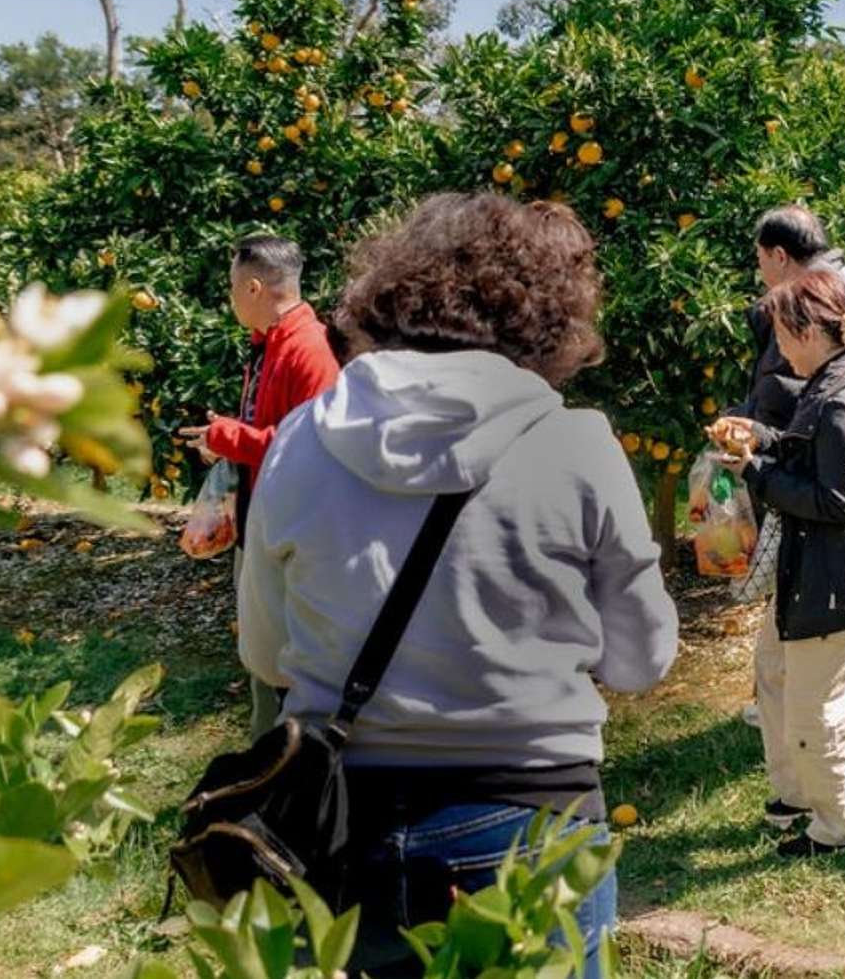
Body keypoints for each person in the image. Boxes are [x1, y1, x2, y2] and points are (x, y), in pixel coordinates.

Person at [236, 193, 679, 977]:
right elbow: (642, 661)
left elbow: (267, 655)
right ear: (548, 319)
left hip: (340, 835)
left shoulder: (303, 438)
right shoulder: (577, 446)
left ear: (389, 298)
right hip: (528, 826)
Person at [708, 269, 845, 858]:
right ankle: (797, 793)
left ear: (806, 331)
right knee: (774, 669)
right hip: (813, 567)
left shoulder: (844, 398)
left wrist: (755, 472)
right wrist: (764, 438)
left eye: (782, 338)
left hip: (832, 574)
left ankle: (842, 827)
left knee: (817, 704)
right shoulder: (837, 372)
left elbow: (835, 500)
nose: (778, 351)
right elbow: (811, 443)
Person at [726, 206, 845, 726]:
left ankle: (807, 705)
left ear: (779, 254)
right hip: (836, 459)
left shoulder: (798, 307)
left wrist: (822, 423)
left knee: (807, 577)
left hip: (805, 465)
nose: (760, 271)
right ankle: (809, 697)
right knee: (825, 588)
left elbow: (781, 381)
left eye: (760, 258)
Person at [177, 235, 341, 737]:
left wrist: (228, 435)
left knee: (279, 662)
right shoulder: (272, 344)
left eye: (232, 287)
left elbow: (313, 442)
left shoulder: (307, 348)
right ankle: (269, 762)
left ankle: (282, 770)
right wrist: (227, 442)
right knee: (262, 657)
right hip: (265, 521)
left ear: (252, 286)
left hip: (291, 533)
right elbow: (272, 431)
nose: (229, 299)